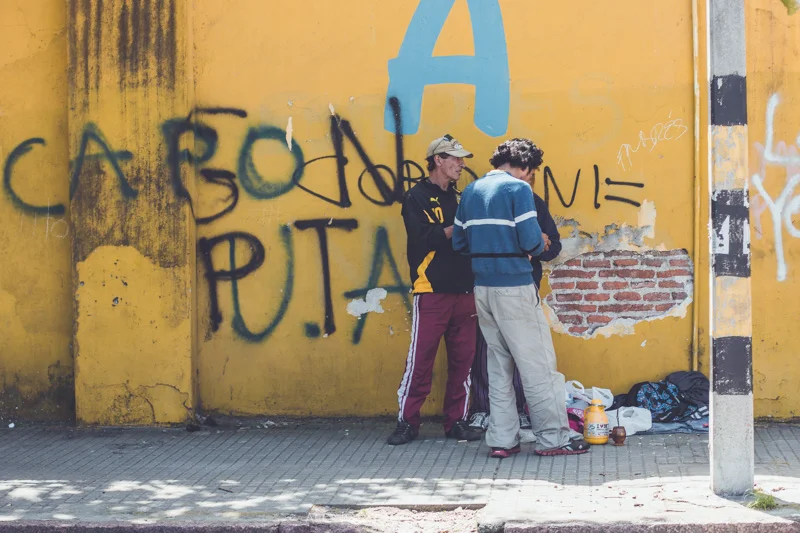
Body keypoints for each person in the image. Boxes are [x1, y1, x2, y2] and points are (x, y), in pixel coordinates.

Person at [452, 138, 590, 458]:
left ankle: (502, 439)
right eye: (532, 171)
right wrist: (539, 240)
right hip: (514, 287)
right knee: (537, 366)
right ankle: (553, 438)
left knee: (499, 367)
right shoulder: (519, 190)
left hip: (483, 288)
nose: (531, 177)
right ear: (525, 167)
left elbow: (459, 242)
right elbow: (532, 242)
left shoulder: (471, 191)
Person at [387, 135, 483, 446]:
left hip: (465, 290)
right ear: (437, 160)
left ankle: (456, 421)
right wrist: (461, 228)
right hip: (431, 289)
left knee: (463, 362)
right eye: (455, 158)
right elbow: (423, 238)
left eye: (462, 159)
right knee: (421, 360)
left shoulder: (461, 198)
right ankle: (407, 422)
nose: (461, 164)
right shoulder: (415, 197)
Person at [468, 172, 563, 432]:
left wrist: (536, 247)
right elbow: (535, 243)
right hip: (504, 285)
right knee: (513, 359)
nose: (527, 181)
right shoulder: (493, 197)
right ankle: (550, 436)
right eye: (526, 174)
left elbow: (554, 246)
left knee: (511, 360)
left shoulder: (530, 201)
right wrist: (534, 244)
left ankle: (510, 425)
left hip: (505, 285)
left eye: (531, 176)